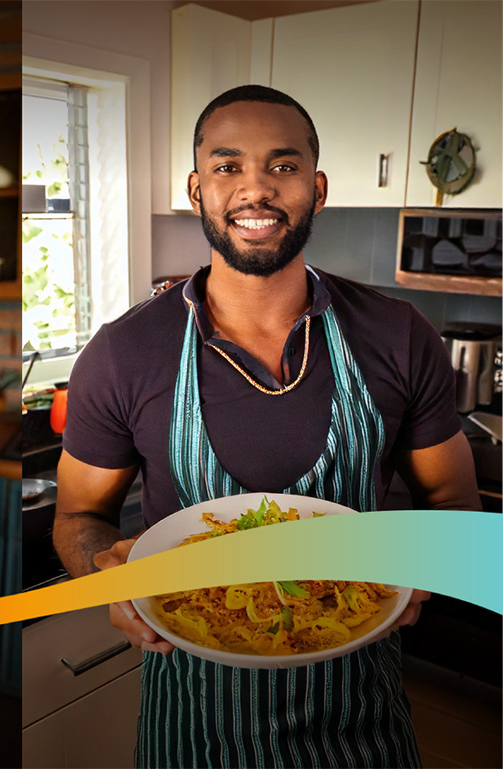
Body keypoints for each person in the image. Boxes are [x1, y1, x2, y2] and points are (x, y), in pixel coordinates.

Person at [53, 84, 481, 769]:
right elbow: (77, 516)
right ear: (196, 189)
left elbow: (453, 504)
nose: (254, 190)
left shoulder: (398, 334)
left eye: (281, 167)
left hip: (360, 715)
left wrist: (421, 568)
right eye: (227, 167)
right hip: (192, 721)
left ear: (316, 187)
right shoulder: (122, 352)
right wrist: (108, 573)